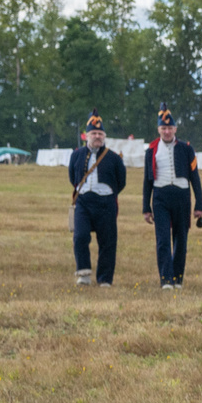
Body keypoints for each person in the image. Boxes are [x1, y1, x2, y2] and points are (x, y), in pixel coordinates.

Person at [143, 107, 202, 289]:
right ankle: (166, 280)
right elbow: (147, 181)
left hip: (182, 197)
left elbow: (195, 178)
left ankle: (177, 278)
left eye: (170, 128)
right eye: (164, 129)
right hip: (160, 197)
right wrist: (146, 208)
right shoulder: (151, 151)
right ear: (159, 130)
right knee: (162, 240)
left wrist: (199, 204)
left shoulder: (186, 149)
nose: (167, 132)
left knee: (181, 239)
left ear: (175, 129)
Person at [68, 117, 125, 287]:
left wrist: (107, 194)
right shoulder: (77, 155)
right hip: (84, 202)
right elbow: (73, 177)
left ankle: (105, 279)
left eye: (100, 133)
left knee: (107, 241)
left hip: (106, 202)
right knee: (80, 236)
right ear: (86, 135)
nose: (97, 136)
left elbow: (121, 181)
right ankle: (83, 273)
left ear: (104, 136)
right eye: (94, 133)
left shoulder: (114, 158)